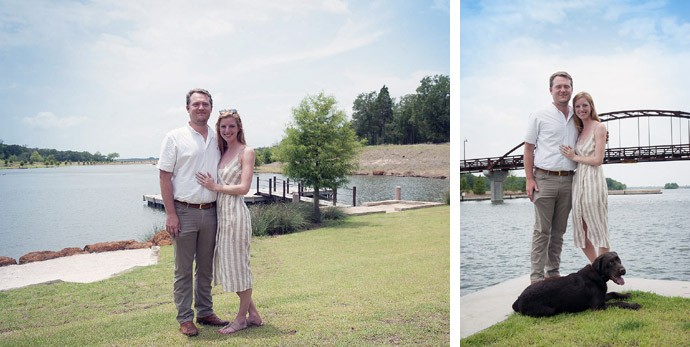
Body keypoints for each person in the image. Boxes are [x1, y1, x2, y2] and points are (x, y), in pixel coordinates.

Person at [158, 88, 229, 337]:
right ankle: (185, 318)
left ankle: (205, 311)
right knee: (183, 269)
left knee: (206, 267)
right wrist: (171, 214)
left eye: (206, 104)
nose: (201, 108)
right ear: (187, 108)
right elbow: (164, 176)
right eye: (196, 104)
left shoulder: (218, 137)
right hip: (184, 211)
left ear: (211, 108)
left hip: (211, 211)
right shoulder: (175, 137)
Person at [196, 109, 263, 334]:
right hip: (221, 216)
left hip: (236, 216)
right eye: (223, 126)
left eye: (231, 126)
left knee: (239, 267)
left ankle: (240, 319)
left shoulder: (247, 152)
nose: (227, 130)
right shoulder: (222, 151)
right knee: (229, 266)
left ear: (239, 127)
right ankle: (253, 314)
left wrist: (215, 187)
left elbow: (244, 188)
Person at [524, 71, 578, 284]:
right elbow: (528, 149)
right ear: (551, 90)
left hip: (569, 180)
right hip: (544, 179)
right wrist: (529, 179)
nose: (563, 90)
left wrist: (604, 134)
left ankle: (553, 274)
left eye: (566, 86)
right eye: (559, 87)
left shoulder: (578, 116)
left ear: (571, 89)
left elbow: (592, 133)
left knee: (559, 232)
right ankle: (536, 279)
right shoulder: (539, 115)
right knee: (541, 232)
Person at [560, 92, 610, 263]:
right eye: (578, 106)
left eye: (584, 105)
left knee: (598, 227)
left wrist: (574, 157)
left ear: (591, 106)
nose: (581, 109)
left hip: (593, 180)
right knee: (580, 230)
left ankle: (604, 271)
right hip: (578, 182)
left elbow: (598, 160)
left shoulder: (599, 127)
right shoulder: (579, 130)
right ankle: (599, 268)